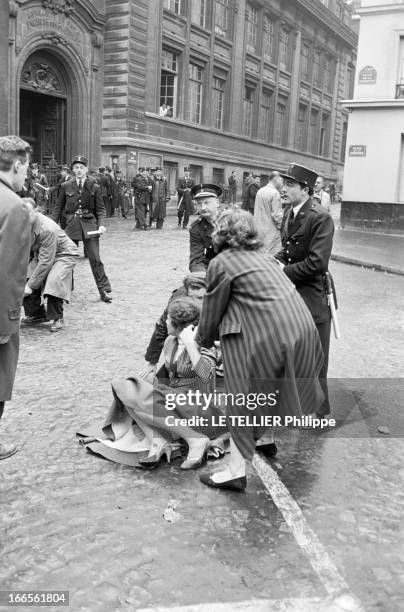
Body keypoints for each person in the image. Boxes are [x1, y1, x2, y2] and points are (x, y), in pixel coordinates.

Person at [197, 208, 324, 491]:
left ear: (221, 233)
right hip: (303, 331)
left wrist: (201, 341)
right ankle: (264, 439)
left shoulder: (222, 263)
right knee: (269, 389)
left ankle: (234, 471)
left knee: (241, 397)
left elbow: (212, 311)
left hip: (272, 336)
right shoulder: (264, 256)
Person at [101, 297, 225, 469]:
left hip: (199, 408)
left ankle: (195, 439)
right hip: (176, 401)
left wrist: (190, 343)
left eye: (168, 319)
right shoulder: (170, 342)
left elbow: (206, 376)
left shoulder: (205, 344)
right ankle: (156, 440)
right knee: (127, 387)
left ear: (178, 325)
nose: (164, 321)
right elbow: (167, 377)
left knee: (139, 394)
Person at [276, 163, 335, 419]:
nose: (283, 188)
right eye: (284, 183)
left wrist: (281, 272)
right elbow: (287, 251)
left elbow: (317, 263)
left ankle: (320, 411)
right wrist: (271, 261)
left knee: (315, 358)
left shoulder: (320, 217)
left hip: (312, 297)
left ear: (306, 189)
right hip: (290, 296)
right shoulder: (289, 212)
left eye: (290, 185)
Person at [0, 135, 32, 460]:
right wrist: (9, 320)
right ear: (18, 165)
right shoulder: (15, 207)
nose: (27, 176)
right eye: (27, 168)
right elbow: (8, 272)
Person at [52, 155, 113, 302]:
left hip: (90, 225)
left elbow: (100, 209)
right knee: (67, 258)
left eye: (81, 167)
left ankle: (104, 290)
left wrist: (101, 224)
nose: (79, 170)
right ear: (72, 170)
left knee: (95, 258)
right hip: (71, 224)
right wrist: (52, 226)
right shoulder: (66, 186)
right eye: (76, 168)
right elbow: (58, 207)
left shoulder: (94, 186)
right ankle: (66, 290)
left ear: (86, 169)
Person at [21, 202, 80, 332]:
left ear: (34, 212)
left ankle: (57, 317)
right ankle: (36, 314)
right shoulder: (22, 224)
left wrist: (30, 287)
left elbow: (46, 262)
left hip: (64, 255)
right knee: (25, 277)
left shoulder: (47, 228)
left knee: (54, 281)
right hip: (41, 254)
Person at [143, 273, 207, 377]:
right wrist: (152, 362)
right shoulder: (178, 302)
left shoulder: (219, 304)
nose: (195, 302)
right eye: (191, 297)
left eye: (200, 298)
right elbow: (162, 326)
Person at [189, 183, 222, 272]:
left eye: (207, 202)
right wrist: (201, 277)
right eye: (199, 204)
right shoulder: (196, 228)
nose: (203, 207)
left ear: (217, 203)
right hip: (214, 270)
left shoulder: (232, 220)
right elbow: (197, 260)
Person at [253, 170, 284, 255]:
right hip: (270, 232)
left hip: (259, 229)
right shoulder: (275, 193)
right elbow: (277, 216)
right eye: (281, 181)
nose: (282, 183)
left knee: (259, 254)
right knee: (271, 257)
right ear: (276, 180)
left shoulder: (260, 190)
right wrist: (282, 227)